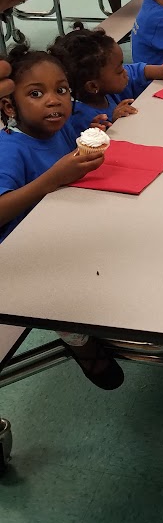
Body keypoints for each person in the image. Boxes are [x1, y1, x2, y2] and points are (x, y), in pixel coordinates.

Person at [0, 43, 124, 390]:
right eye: (36, 93)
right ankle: (80, 345)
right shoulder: (10, 147)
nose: (55, 100)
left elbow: (76, 160)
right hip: (23, 254)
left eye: (62, 90)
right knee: (63, 303)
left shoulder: (63, 130)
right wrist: (52, 178)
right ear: (10, 106)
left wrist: (99, 128)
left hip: (65, 224)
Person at [49, 24, 163, 132]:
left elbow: (138, 71)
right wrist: (113, 122)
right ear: (93, 86)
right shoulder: (81, 119)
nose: (125, 71)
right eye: (119, 70)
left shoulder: (105, 87)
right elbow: (93, 149)